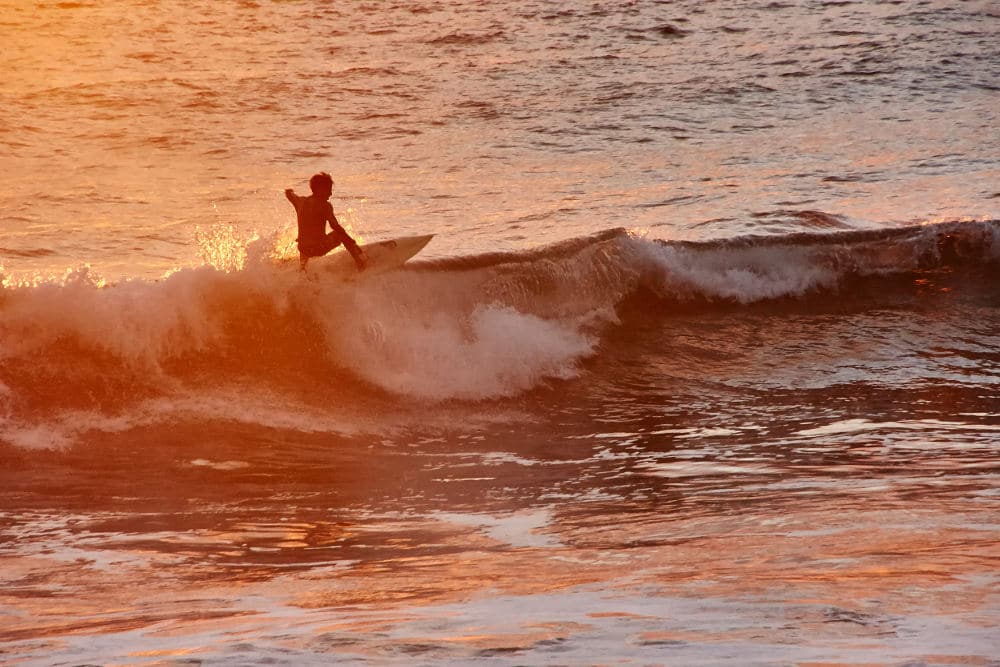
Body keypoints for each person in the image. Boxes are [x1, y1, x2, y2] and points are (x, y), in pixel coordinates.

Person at [285, 172, 366, 271]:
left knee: (304, 242)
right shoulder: (325, 206)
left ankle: (303, 270)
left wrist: (289, 191)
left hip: (303, 248)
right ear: (320, 190)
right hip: (318, 248)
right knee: (339, 234)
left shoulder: (300, 202)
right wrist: (351, 242)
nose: (330, 193)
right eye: (329, 190)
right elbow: (335, 226)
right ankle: (360, 263)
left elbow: (290, 195)